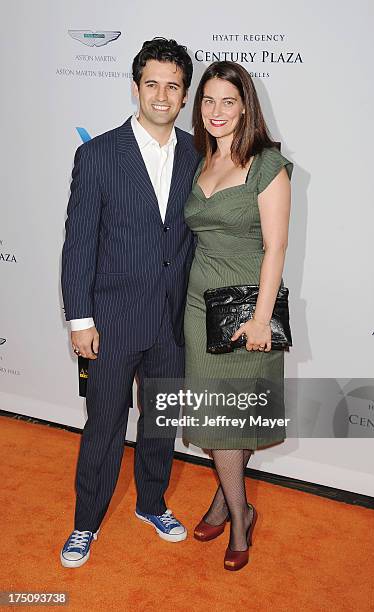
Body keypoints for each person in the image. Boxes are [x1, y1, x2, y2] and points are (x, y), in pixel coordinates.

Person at [60, 38, 200, 568]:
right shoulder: (97, 154)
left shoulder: (195, 153)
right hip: (112, 321)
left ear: (184, 94)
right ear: (136, 86)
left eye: (172, 86)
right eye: (152, 84)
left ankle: (152, 503)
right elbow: (79, 244)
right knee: (104, 425)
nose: (161, 95)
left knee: (161, 421)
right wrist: (80, 318)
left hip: (171, 321)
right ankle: (85, 523)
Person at [183, 61, 293, 571]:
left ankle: (239, 515)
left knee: (230, 419)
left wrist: (260, 320)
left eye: (228, 100)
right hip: (198, 306)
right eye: (208, 100)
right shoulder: (198, 160)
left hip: (247, 307)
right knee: (214, 415)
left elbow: (276, 247)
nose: (216, 111)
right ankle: (229, 502)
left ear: (246, 106)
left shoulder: (267, 164)